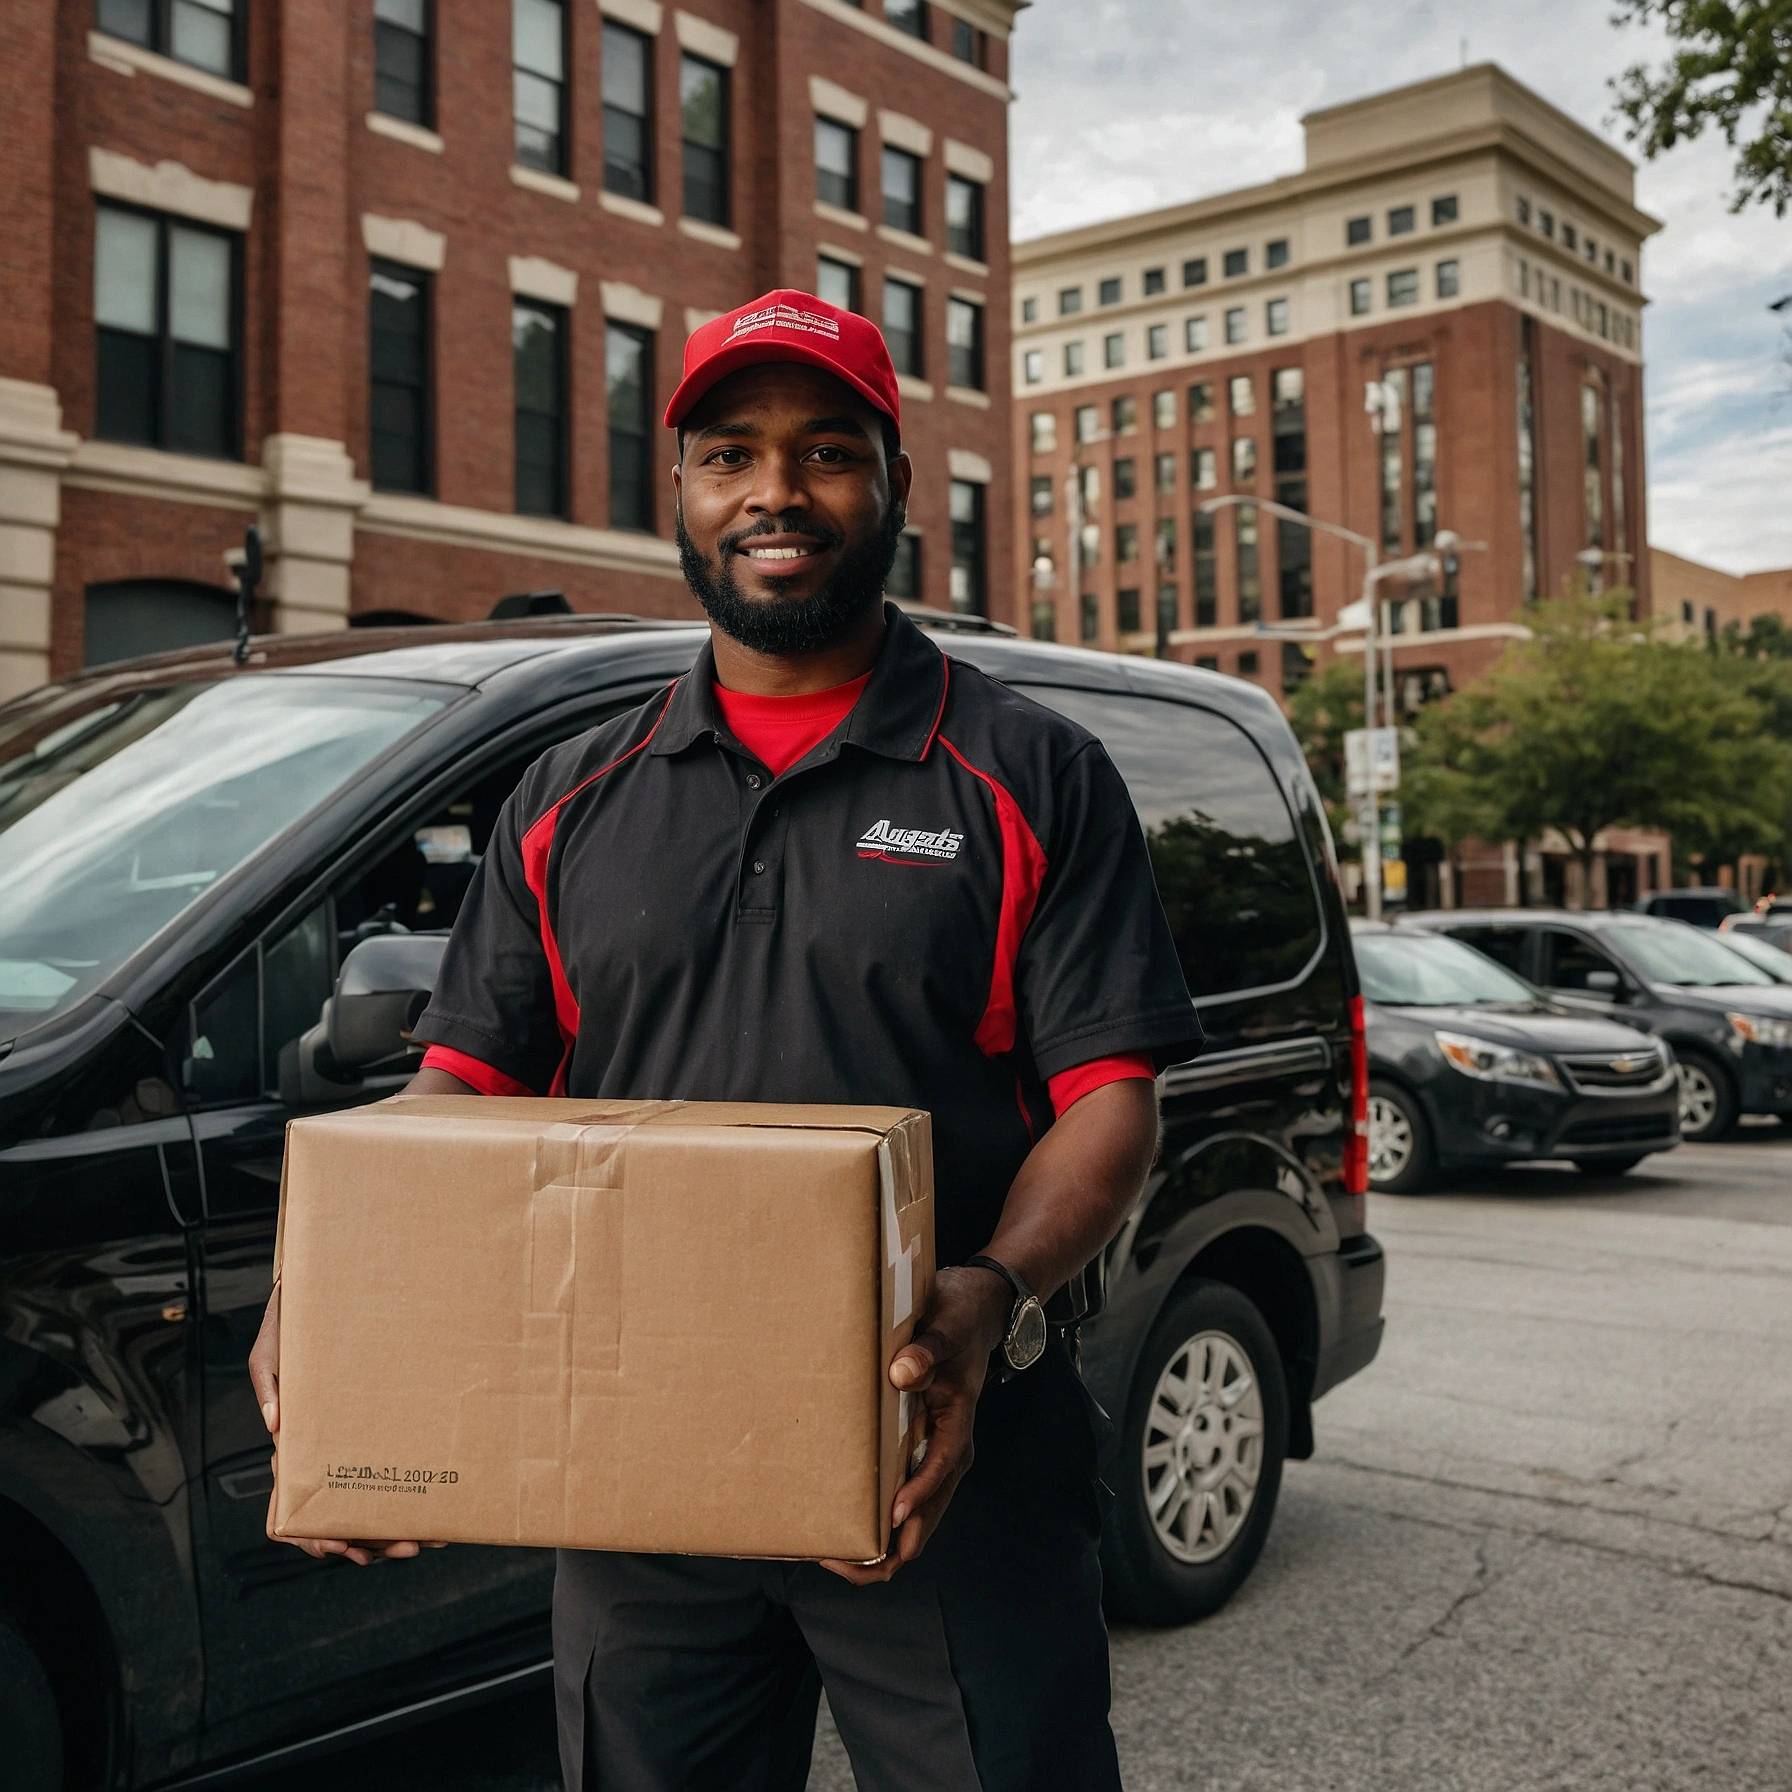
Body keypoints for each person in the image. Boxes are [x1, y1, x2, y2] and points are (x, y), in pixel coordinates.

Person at [250, 290, 1201, 1791]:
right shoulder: (573, 792)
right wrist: (333, 1296)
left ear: (891, 485)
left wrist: (985, 1296)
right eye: (728, 455)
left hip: (943, 1446)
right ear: (679, 495)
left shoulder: (1029, 770)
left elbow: (1110, 1102)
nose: (776, 492)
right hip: (640, 1468)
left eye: (827, 452)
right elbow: (460, 1088)